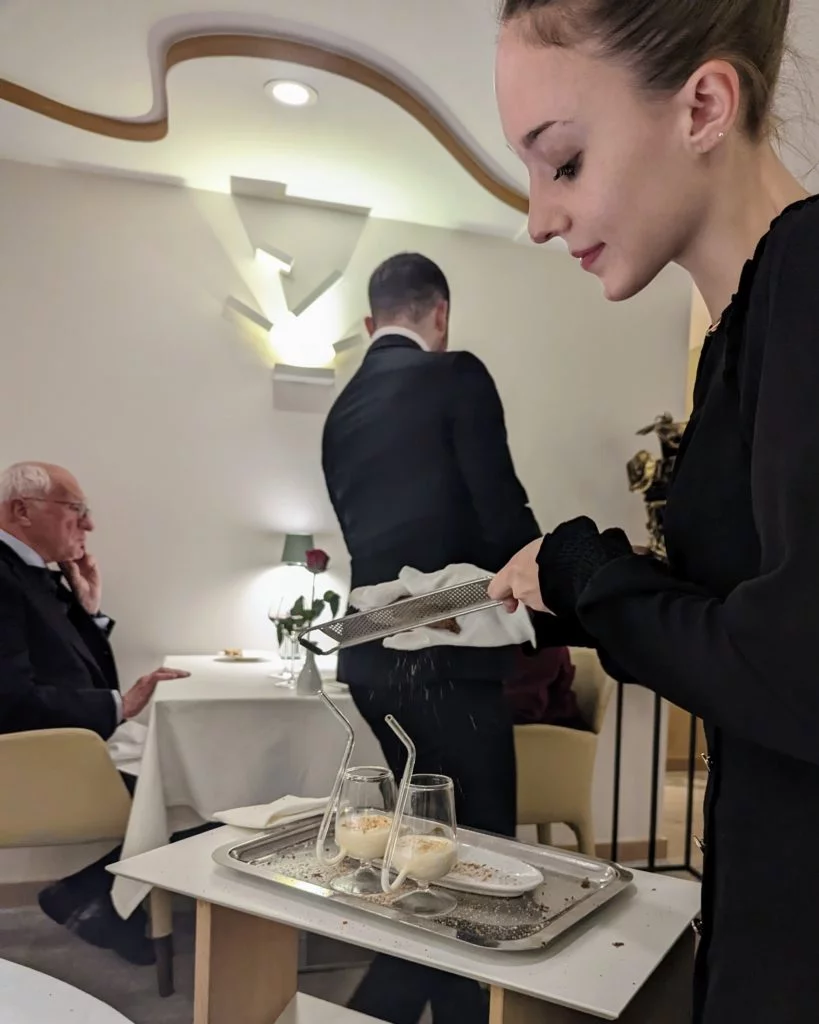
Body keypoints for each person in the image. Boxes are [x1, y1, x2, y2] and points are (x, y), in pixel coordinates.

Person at [489, 2, 817, 1021]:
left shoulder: (808, 278)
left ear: (705, 105)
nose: (539, 217)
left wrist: (591, 575)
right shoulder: (743, 331)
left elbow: (794, 670)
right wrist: (580, 587)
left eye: (566, 162)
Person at [322, 253, 540, 1023]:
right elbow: (500, 514)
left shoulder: (339, 411)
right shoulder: (457, 375)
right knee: (477, 860)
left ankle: (386, 1008)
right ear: (439, 315)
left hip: (373, 661)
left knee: (423, 848)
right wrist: (551, 587)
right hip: (450, 656)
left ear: (368, 323)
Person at [0, 461, 189, 963]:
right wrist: (118, 705)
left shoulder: (27, 570)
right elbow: (8, 698)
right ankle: (96, 895)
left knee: (200, 770)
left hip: (68, 744)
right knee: (202, 780)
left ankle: (94, 895)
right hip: (37, 761)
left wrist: (88, 608)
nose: (88, 526)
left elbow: (64, 660)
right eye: (76, 511)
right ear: (21, 510)